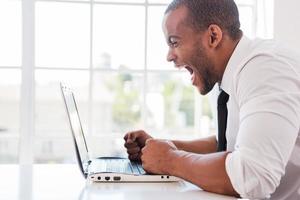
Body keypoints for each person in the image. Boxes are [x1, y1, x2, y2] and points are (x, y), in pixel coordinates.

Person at [123, 0, 300, 199]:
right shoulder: (225, 73)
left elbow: (253, 177)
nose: (169, 56)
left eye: (174, 42)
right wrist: (162, 148)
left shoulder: (265, 69)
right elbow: (225, 143)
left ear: (213, 36)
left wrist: (170, 160)